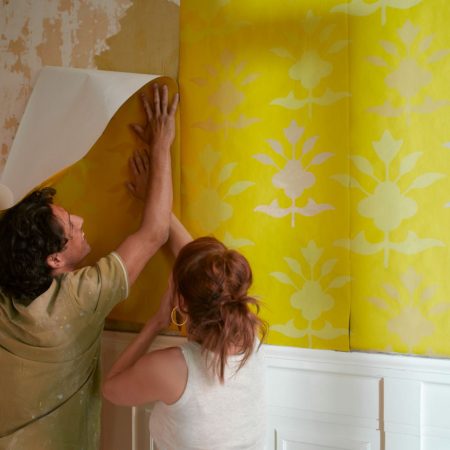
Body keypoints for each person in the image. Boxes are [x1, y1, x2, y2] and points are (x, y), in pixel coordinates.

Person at [0, 83, 178, 449]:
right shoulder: (79, 300)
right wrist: (161, 145)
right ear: (54, 259)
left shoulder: (5, 299)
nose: (80, 221)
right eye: (71, 226)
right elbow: (155, 232)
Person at [102, 210, 268, 449]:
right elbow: (203, 270)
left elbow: (111, 389)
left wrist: (156, 323)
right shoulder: (251, 333)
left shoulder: (170, 368)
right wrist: (163, 212)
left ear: (180, 301)